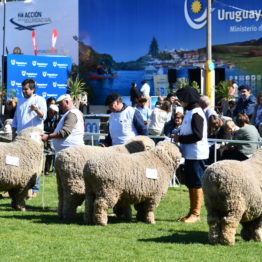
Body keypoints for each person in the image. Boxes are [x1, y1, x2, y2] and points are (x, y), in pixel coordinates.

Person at [173, 86, 209, 223]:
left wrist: (180, 139)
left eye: (181, 99)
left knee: (195, 183)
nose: (180, 101)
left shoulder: (196, 113)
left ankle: (196, 213)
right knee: (191, 183)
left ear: (187, 99)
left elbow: (198, 135)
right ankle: (191, 212)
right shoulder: (189, 112)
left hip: (196, 153)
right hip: (190, 153)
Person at [12, 78, 47, 198]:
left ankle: (34, 189)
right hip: (20, 137)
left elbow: (43, 116)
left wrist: (36, 109)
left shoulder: (40, 100)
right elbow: (16, 119)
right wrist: (14, 134)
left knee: (35, 163)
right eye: (23, 89)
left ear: (32, 89)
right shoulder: (20, 101)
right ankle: (17, 187)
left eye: (26, 89)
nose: (24, 91)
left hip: (34, 137)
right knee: (19, 162)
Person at [43, 104, 60, 175]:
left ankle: (55, 170)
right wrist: (53, 131)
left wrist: (54, 131)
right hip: (49, 137)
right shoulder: (45, 118)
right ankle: (46, 170)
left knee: (56, 154)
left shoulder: (58, 118)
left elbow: (58, 128)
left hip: (56, 138)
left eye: (55, 112)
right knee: (49, 153)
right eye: (52, 112)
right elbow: (45, 128)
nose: (53, 114)